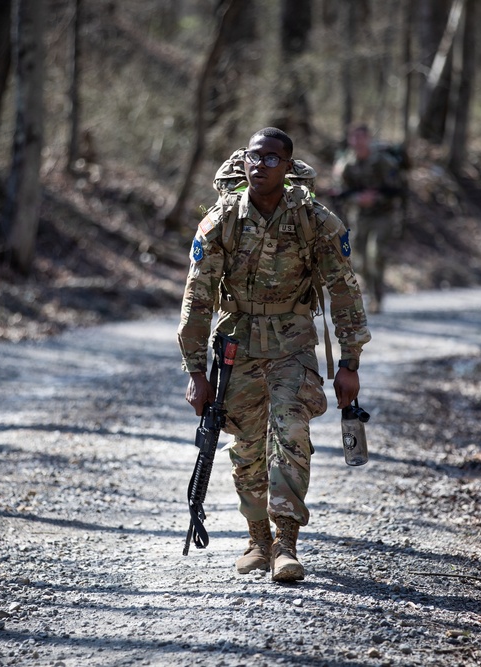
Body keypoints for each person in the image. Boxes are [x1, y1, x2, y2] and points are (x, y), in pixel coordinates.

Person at [178, 127, 371, 583]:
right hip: (235, 347)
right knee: (246, 446)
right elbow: (197, 297)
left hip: (293, 343)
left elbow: (344, 291)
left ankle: (286, 543)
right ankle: (257, 541)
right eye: (253, 157)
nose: (259, 165)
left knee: (290, 432)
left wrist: (349, 364)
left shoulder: (315, 221)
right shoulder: (222, 220)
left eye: (271, 159)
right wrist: (194, 371)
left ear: (288, 168)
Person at [332, 124, 406, 313]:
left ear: (368, 139)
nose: (357, 142)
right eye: (354, 138)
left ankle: (377, 298)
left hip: (383, 215)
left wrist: (375, 198)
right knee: (359, 260)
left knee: (376, 255)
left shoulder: (383, 161)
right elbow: (339, 191)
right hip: (359, 216)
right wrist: (358, 198)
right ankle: (369, 293)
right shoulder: (346, 164)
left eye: (361, 138)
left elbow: (398, 189)